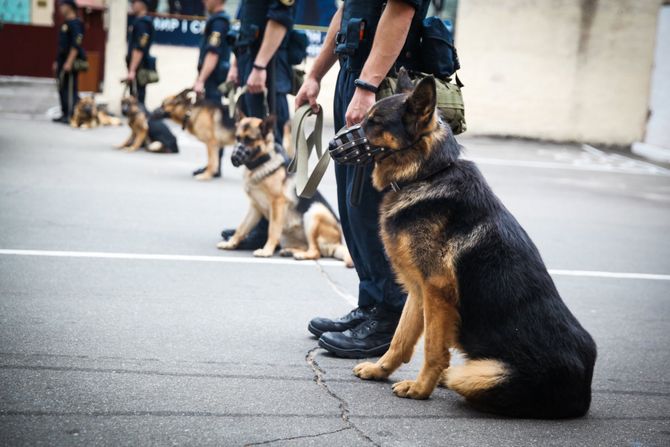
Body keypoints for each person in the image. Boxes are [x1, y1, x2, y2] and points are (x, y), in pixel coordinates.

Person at [294, 0, 431, 358]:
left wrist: (368, 85)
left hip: (383, 81)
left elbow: (401, 10)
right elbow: (345, 12)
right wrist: (315, 74)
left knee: (370, 204)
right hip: (355, 75)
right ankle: (371, 304)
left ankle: (389, 317)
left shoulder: (372, 85)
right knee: (352, 203)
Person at [219, 0, 295, 249]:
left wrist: (260, 66)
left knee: (272, 160)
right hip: (250, 65)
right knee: (255, 161)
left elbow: (279, 20)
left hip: (268, 71)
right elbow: (244, 26)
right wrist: (236, 66)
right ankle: (258, 225)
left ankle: (266, 232)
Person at [192, 0, 232, 178]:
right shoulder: (217, 20)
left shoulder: (219, 22)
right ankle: (213, 164)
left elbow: (212, 54)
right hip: (213, 79)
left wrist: (201, 80)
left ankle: (214, 166)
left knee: (213, 126)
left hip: (214, 81)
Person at [53, 0, 85, 124]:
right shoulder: (65, 23)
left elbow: (76, 45)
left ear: (70, 7)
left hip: (70, 61)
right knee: (62, 87)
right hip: (62, 60)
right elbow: (61, 45)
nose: (61, 8)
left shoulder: (76, 24)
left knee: (70, 88)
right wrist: (57, 61)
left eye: (63, 6)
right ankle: (65, 113)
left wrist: (69, 62)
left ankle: (71, 115)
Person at [125, 0, 154, 106]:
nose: (132, 5)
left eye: (134, 2)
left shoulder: (143, 23)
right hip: (138, 65)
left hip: (139, 67)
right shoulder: (139, 21)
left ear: (142, 4)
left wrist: (132, 70)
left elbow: (139, 48)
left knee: (137, 100)